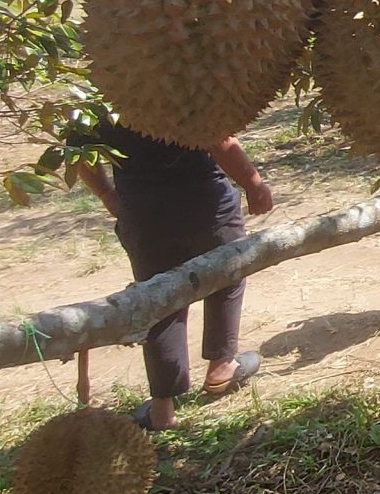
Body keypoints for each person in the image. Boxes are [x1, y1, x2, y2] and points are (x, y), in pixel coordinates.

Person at [74, 119, 273, 430]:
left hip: (143, 213)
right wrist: (253, 183)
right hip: (206, 204)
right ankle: (222, 365)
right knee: (227, 274)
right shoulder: (180, 88)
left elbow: (79, 153)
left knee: (158, 300)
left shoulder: (95, 100)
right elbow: (217, 138)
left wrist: (108, 195)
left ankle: (162, 409)